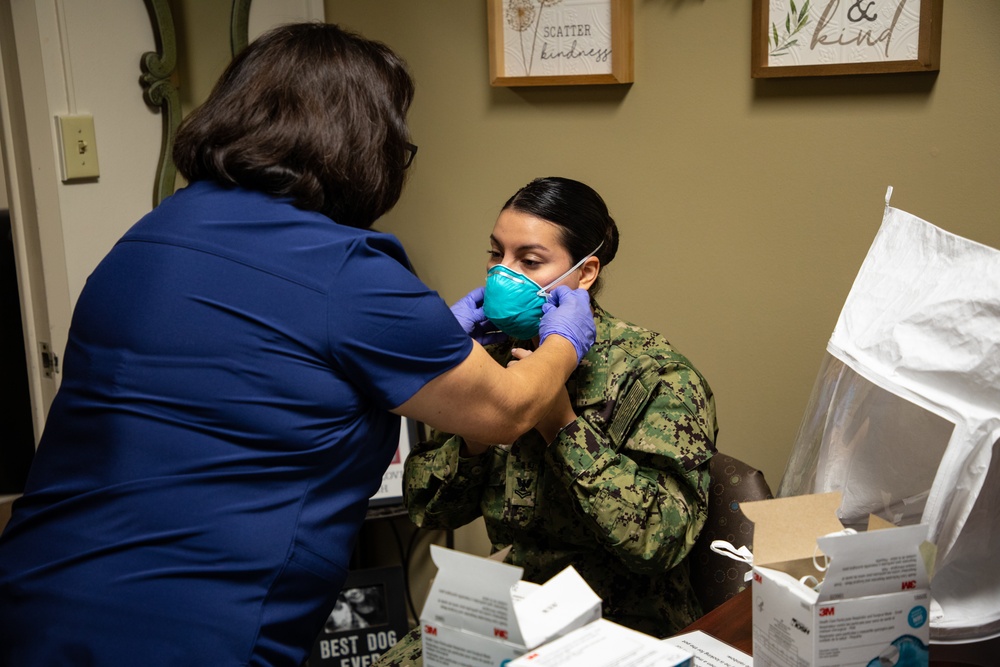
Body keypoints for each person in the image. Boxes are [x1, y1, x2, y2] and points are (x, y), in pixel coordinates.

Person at [0, 25, 595, 666]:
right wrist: (566, 336)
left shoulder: (149, 235)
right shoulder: (344, 272)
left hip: (38, 595)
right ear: (362, 144)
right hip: (188, 625)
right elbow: (506, 411)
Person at [374, 176, 718, 667]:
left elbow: (659, 542)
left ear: (586, 271)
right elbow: (430, 510)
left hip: (626, 620)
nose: (502, 275)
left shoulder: (655, 376)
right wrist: (478, 420)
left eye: (529, 261)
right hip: (519, 604)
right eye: (497, 255)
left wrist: (560, 423)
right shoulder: (486, 360)